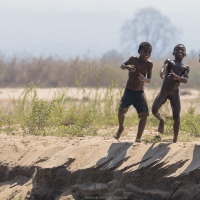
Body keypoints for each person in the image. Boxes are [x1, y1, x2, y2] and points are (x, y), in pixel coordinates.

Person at [114, 42, 153, 142]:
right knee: (121, 111)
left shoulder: (149, 64)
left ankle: (138, 138)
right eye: (145, 51)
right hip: (129, 91)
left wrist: (143, 79)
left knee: (144, 114)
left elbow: (149, 79)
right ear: (139, 51)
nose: (147, 53)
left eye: (149, 52)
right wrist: (127, 67)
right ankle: (121, 127)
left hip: (139, 93)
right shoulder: (133, 59)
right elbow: (122, 65)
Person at [152, 44, 189, 143]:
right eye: (177, 49)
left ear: (185, 54)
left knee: (176, 116)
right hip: (164, 91)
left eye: (182, 50)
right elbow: (164, 68)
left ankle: (175, 139)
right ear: (173, 52)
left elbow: (185, 80)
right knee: (154, 110)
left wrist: (176, 77)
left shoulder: (185, 67)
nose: (180, 51)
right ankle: (161, 120)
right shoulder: (169, 62)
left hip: (174, 93)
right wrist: (162, 72)